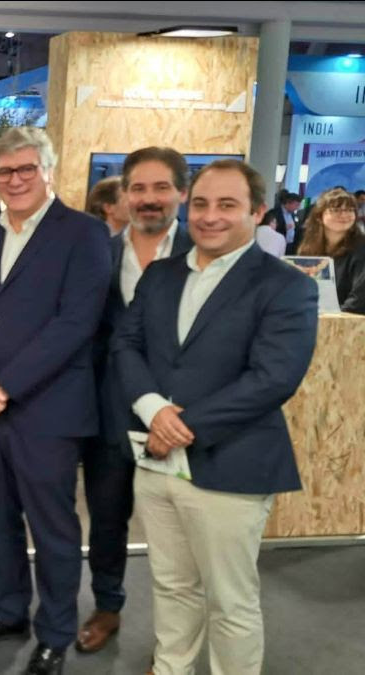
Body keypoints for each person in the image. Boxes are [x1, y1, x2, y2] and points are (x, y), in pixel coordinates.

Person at [112, 159, 318, 675]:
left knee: (230, 600)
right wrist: (154, 410)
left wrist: (181, 426)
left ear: (258, 212)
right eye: (201, 203)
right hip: (156, 461)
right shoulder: (161, 274)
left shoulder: (285, 285)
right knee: (171, 585)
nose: (210, 216)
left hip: (231, 464)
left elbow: (273, 378)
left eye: (228, 205)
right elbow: (126, 345)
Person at [0, 127, 110, 675]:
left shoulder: (84, 234)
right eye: (5, 171)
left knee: (53, 529)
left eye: (25, 169)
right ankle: (9, 610)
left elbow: (75, 324)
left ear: (48, 172)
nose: (15, 180)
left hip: (48, 411)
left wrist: (5, 387)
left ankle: (56, 633)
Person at [79, 146, 193, 655]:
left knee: (181, 531)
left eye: (161, 187)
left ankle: (178, 637)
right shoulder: (97, 254)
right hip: (108, 412)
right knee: (107, 518)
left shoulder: (201, 253)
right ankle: (108, 605)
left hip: (180, 416)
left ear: (181, 193)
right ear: (123, 195)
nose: (149, 199)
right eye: (139, 188)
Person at [297, 187, 365, 313]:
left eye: (350, 210)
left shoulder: (361, 247)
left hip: (351, 320)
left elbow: (360, 298)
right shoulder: (308, 248)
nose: (344, 215)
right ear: (319, 215)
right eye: (336, 210)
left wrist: (334, 318)